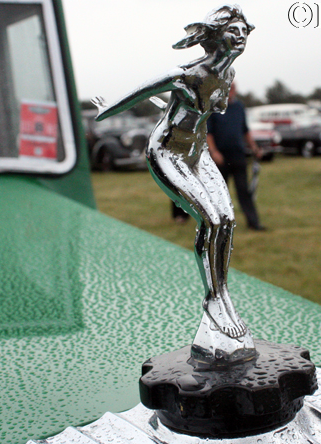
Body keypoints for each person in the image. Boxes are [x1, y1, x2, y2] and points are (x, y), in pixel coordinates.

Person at [92, 6, 254, 342]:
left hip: (198, 154)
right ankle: (215, 300)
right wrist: (105, 109)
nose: (240, 37)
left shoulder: (228, 73)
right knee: (209, 220)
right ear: (215, 35)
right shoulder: (185, 73)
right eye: (232, 31)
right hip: (167, 151)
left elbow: (193, 108)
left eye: (244, 31)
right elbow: (140, 92)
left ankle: (222, 293)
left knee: (226, 219)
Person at [207, 84, 265, 231]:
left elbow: (245, 130)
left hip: (238, 154)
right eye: (228, 88)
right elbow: (209, 133)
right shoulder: (214, 108)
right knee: (219, 193)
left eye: (233, 88)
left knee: (244, 190)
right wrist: (214, 152)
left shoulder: (239, 107)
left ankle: (253, 223)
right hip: (221, 156)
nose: (231, 91)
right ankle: (217, 225)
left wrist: (254, 147)